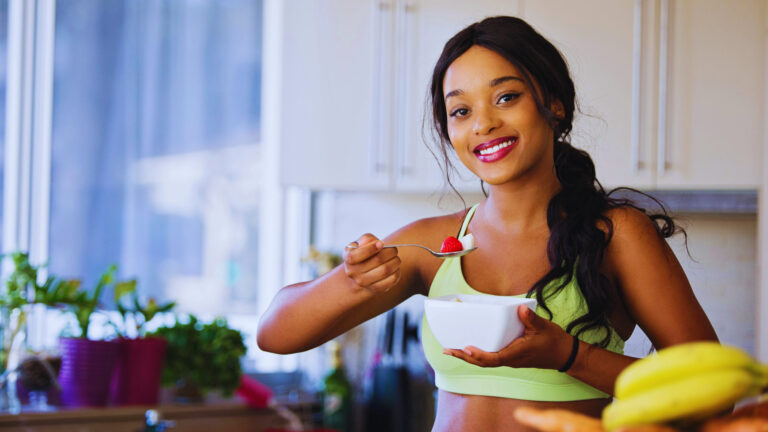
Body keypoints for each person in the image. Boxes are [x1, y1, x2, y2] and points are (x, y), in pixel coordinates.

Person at [257, 16, 717, 431]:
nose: (483, 124)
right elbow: (275, 334)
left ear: (553, 104)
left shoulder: (615, 235)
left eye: (506, 97)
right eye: (461, 110)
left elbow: (710, 396)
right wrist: (352, 282)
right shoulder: (434, 244)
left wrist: (569, 356)